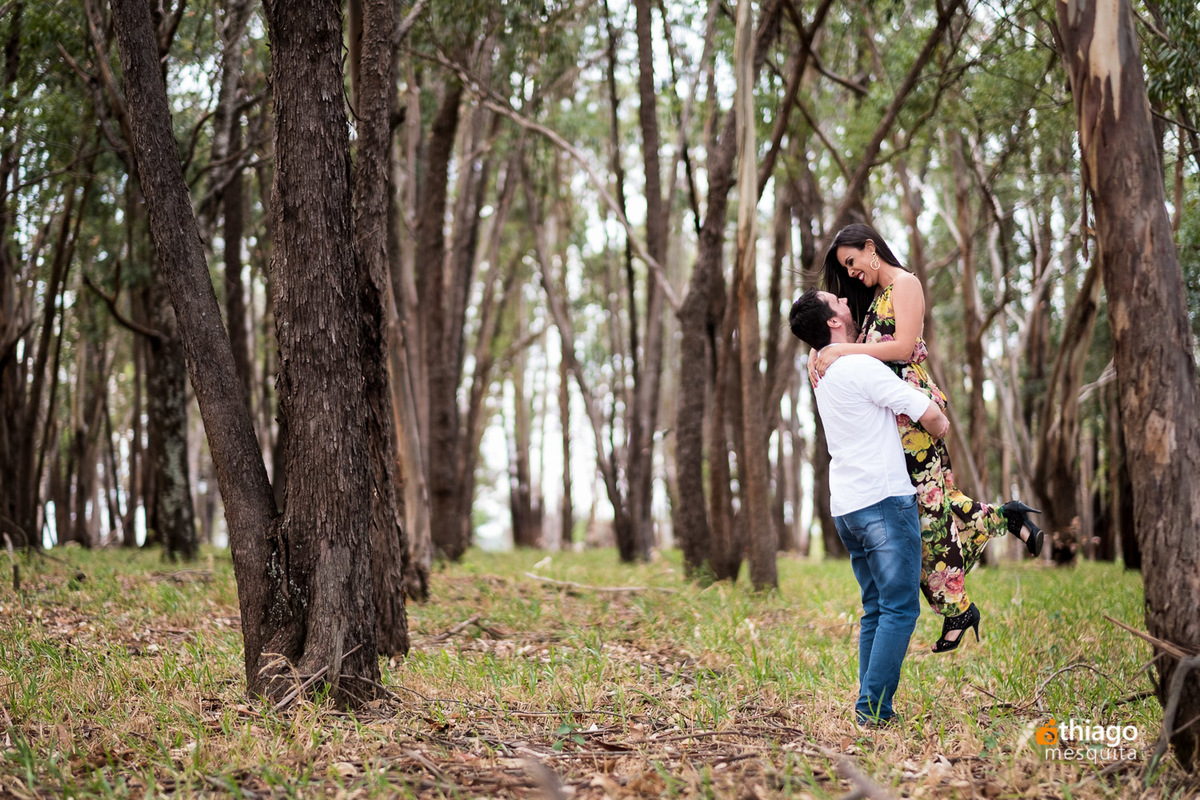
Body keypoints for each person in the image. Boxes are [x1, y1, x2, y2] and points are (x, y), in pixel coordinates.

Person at [810, 223, 1043, 652]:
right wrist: (818, 348)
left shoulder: (906, 283)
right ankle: (1005, 521)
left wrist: (840, 350)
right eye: (845, 269)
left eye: (852, 262)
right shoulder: (874, 297)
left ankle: (958, 607)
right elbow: (844, 333)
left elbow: (900, 349)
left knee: (928, 515)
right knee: (929, 506)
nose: (852, 272)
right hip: (889, 417)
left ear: (870, 247)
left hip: (912, 411)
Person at [789, 288, 950, 726]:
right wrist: (941, 424)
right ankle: (872, 711)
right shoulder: (859, 365)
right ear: (833, 323)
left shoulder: (821, 374)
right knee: (899, 608)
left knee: (876, 607)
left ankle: (869, 703)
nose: (844, 298)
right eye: (835, 300)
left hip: (846, 507)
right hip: (883, 501)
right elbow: (927, 415)